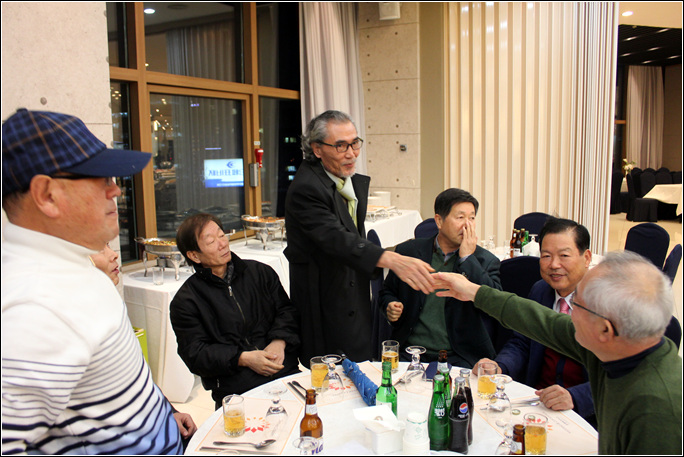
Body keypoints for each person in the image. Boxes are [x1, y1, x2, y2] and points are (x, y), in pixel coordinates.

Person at [1, 108, 183, 454]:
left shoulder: (70, 267)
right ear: (47, 195)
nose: (116, 191)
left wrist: (163, 413)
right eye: (101, 178)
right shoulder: (36, 308)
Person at [433, 250, 682, 455]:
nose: (567, 311)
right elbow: (541, 322)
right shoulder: (618, 345)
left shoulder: (657, 410)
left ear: (605, 329)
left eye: (576, 304)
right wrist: (473, 292)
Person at [284, 110, 435, 365]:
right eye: (340, 145)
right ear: (317, 149)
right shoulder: (307, 187)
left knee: (360, 367)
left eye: (355, 143)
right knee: (333, 374)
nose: (351, 153)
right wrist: (391, 259)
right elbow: (337, 238)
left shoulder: (344, 180)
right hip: (326, 303)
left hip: (351, 293)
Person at [170, 213, 300, 409]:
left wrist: (279, 341)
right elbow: (195, 354)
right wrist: (242, 358)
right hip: (236, 390)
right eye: (211, 241)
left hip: (283, 372)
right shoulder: (186, 301)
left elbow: (286, 311)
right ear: (194, 255)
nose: (222, 244)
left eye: (222, 235)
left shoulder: (260, 273)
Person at [475, 217, 595, 420]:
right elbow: (522, 343)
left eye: (564, 256)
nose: (554, 264)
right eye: (546, 256)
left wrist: (575, 397)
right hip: (537, 402)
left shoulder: (606, 303)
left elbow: (621, 374)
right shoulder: (541, 291)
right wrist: (499, 367)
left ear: (587, 258)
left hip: (586, 415)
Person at [379, 188, 502, 365]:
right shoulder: (409, 252)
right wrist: (390, 305)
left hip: (460, 356)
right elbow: (387, 291)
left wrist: (467, 259)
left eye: (472, 218)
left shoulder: (486, 261)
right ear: (439, 221)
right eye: (460, 217)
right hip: (410, 351)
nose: (467, 225)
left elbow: (495, 305)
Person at [90, 244, 198, 445]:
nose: (114, 255)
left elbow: (139, 378)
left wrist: (169, 411)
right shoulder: (69, 330)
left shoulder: (109, 308)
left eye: (109, 246)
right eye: (100, 249)